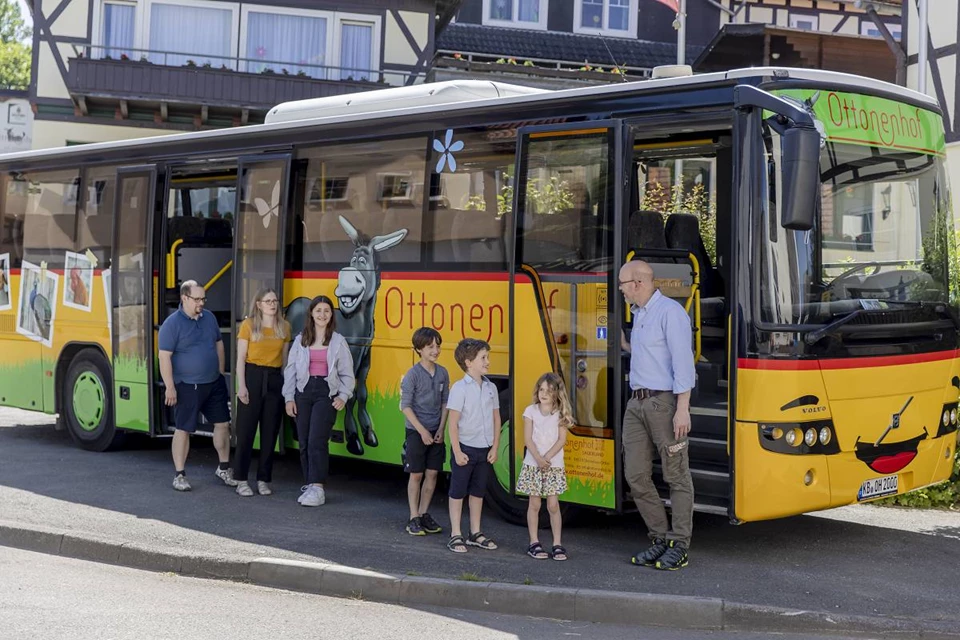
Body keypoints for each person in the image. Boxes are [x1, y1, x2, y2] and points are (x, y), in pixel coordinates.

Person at [618, 260, 695, 571]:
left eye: (623, 284)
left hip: (664, 404)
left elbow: (683, 363)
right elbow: (650, 354)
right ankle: (660, 538)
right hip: (636, 404)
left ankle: (680, 544)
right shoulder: (641, 315)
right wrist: (622, 343)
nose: (620, 289)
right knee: (635, 475)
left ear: (637, 283)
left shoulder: (671, 313)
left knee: (676, 474)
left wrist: (682, 409)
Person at [158, 280, 236, 492]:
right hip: (187, 386)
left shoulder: (209, 317)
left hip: (213, 383)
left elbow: (219, 343)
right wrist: (170, 387)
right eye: (197, 299)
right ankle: (180, 475)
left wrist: (220, 372)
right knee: (184, 429)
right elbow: (164, 357)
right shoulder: (172, 324)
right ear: (184, 298)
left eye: (203, 298)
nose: (201, 302)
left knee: (222, 424)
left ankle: (224, 467)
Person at [283, 295, 355, 507]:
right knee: (304, 440)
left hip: (326, 392)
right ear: (311, 314)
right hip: (303, 391)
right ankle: (309, 484)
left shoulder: (338, 341)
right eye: (318, 310)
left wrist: (343, 396)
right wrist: (289, 398)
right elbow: (290, 371)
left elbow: (347, 374)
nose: (322, 314)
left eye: (326, 310)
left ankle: (319, 487)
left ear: (331, 315)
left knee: (317, 440)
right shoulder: (300, 340)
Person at [232, 288, 291, 497]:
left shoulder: (284, 327)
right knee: (246, 432)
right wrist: (242, 386)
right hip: (252, 376)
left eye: (275, 300)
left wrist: (286, 388)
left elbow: (284, 361)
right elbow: (240, 359)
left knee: (270, 434)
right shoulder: (248, 326)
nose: (272, 304)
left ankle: (264, 479)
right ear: (258, 304)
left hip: (275, 379)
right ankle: (240, 479)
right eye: (268, 301)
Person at [445, 338, 500, 553]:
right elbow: (453, 423)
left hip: (484, 449)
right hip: (465, 449)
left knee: (478, 492)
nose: (488, 361)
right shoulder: (460, 388)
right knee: (458, 491)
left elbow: (496, 419)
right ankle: (455, 533)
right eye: (483, 358)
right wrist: (457, 451)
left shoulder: (491, 388)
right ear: (469, 362)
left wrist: (495, 447)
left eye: (487, 357)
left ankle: (475, 532)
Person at [400, 327, 449, 536]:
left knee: (432, 473)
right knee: (416, 474)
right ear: (419, 349)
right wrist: (422, 431)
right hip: (416, 432)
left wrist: (440, 429)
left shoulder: (443, 373)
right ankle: (413, 517)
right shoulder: (412, 375)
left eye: (438, 346)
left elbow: (446, 401)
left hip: (435, 430)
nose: (436, 350)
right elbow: (406, 406)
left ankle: (424, 513)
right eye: (430, 347)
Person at [518, 372, 571, 562]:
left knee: (553, 505)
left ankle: (557, 543)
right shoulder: (530, 411)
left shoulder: (560, 414)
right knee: (534, 503)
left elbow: (561, 440)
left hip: (553, 465)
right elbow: (527, 439)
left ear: (557, 393)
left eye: (549, 390)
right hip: (533, 464)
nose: (544, 394)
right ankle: (534, 542)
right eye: (541, 389)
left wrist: (547, 459)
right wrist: (539, 459)